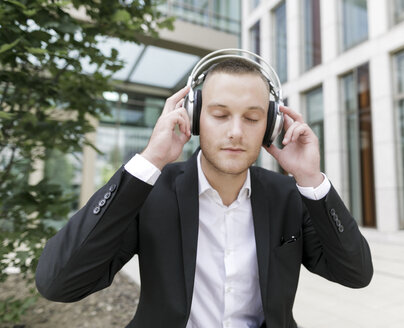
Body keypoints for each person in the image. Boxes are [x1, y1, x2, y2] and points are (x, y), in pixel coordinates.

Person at [35, 49, 373, 328]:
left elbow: (355, 274)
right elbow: (58, 282)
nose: (236, 132)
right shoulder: (151, 193)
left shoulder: (287, 195)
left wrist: (311, 179)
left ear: (270, 125)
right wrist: (150, 160)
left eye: (253, 118)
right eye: (220, 114)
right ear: (194, 117)